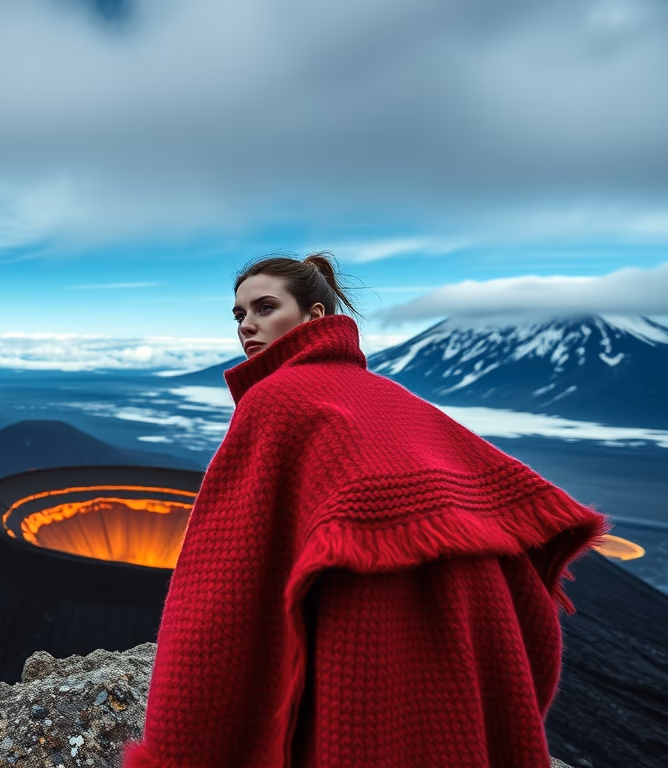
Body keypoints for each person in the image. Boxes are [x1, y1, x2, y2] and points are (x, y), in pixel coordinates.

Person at [121, 252, 610, 768]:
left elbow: (224, 578)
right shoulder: (392, 397)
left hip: (358, 660)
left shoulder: (275, 402)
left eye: (264, 308)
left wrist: (187, 720)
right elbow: (496, 509)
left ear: (314, 317)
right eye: (239, 315)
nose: (248, 326)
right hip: (451, 656)